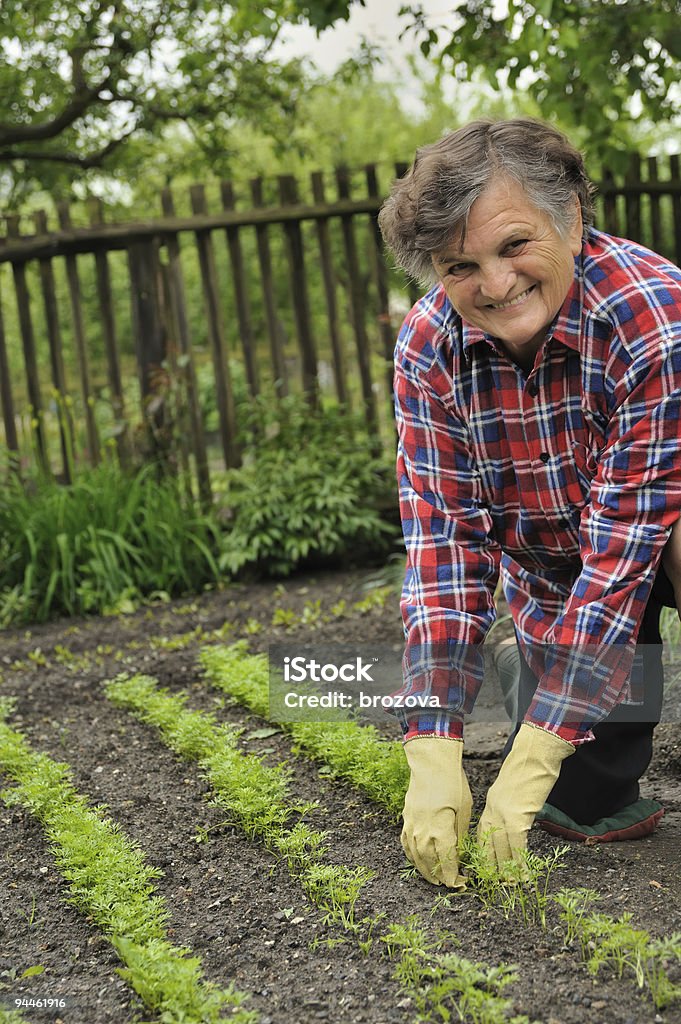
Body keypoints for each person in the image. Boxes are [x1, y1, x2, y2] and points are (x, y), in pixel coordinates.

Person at [378, 118, 681, 888]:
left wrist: (542, 740)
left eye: (513, 245)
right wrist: (432, 742)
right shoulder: (427, 347)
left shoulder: (650, 316)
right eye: (459, 266)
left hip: (654, 538)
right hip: (554, 575)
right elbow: (443, 548)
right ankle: (532, 667)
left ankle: (547, 701)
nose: (494, 283)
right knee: (577, 805)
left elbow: (622, 554)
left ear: (571, 219)